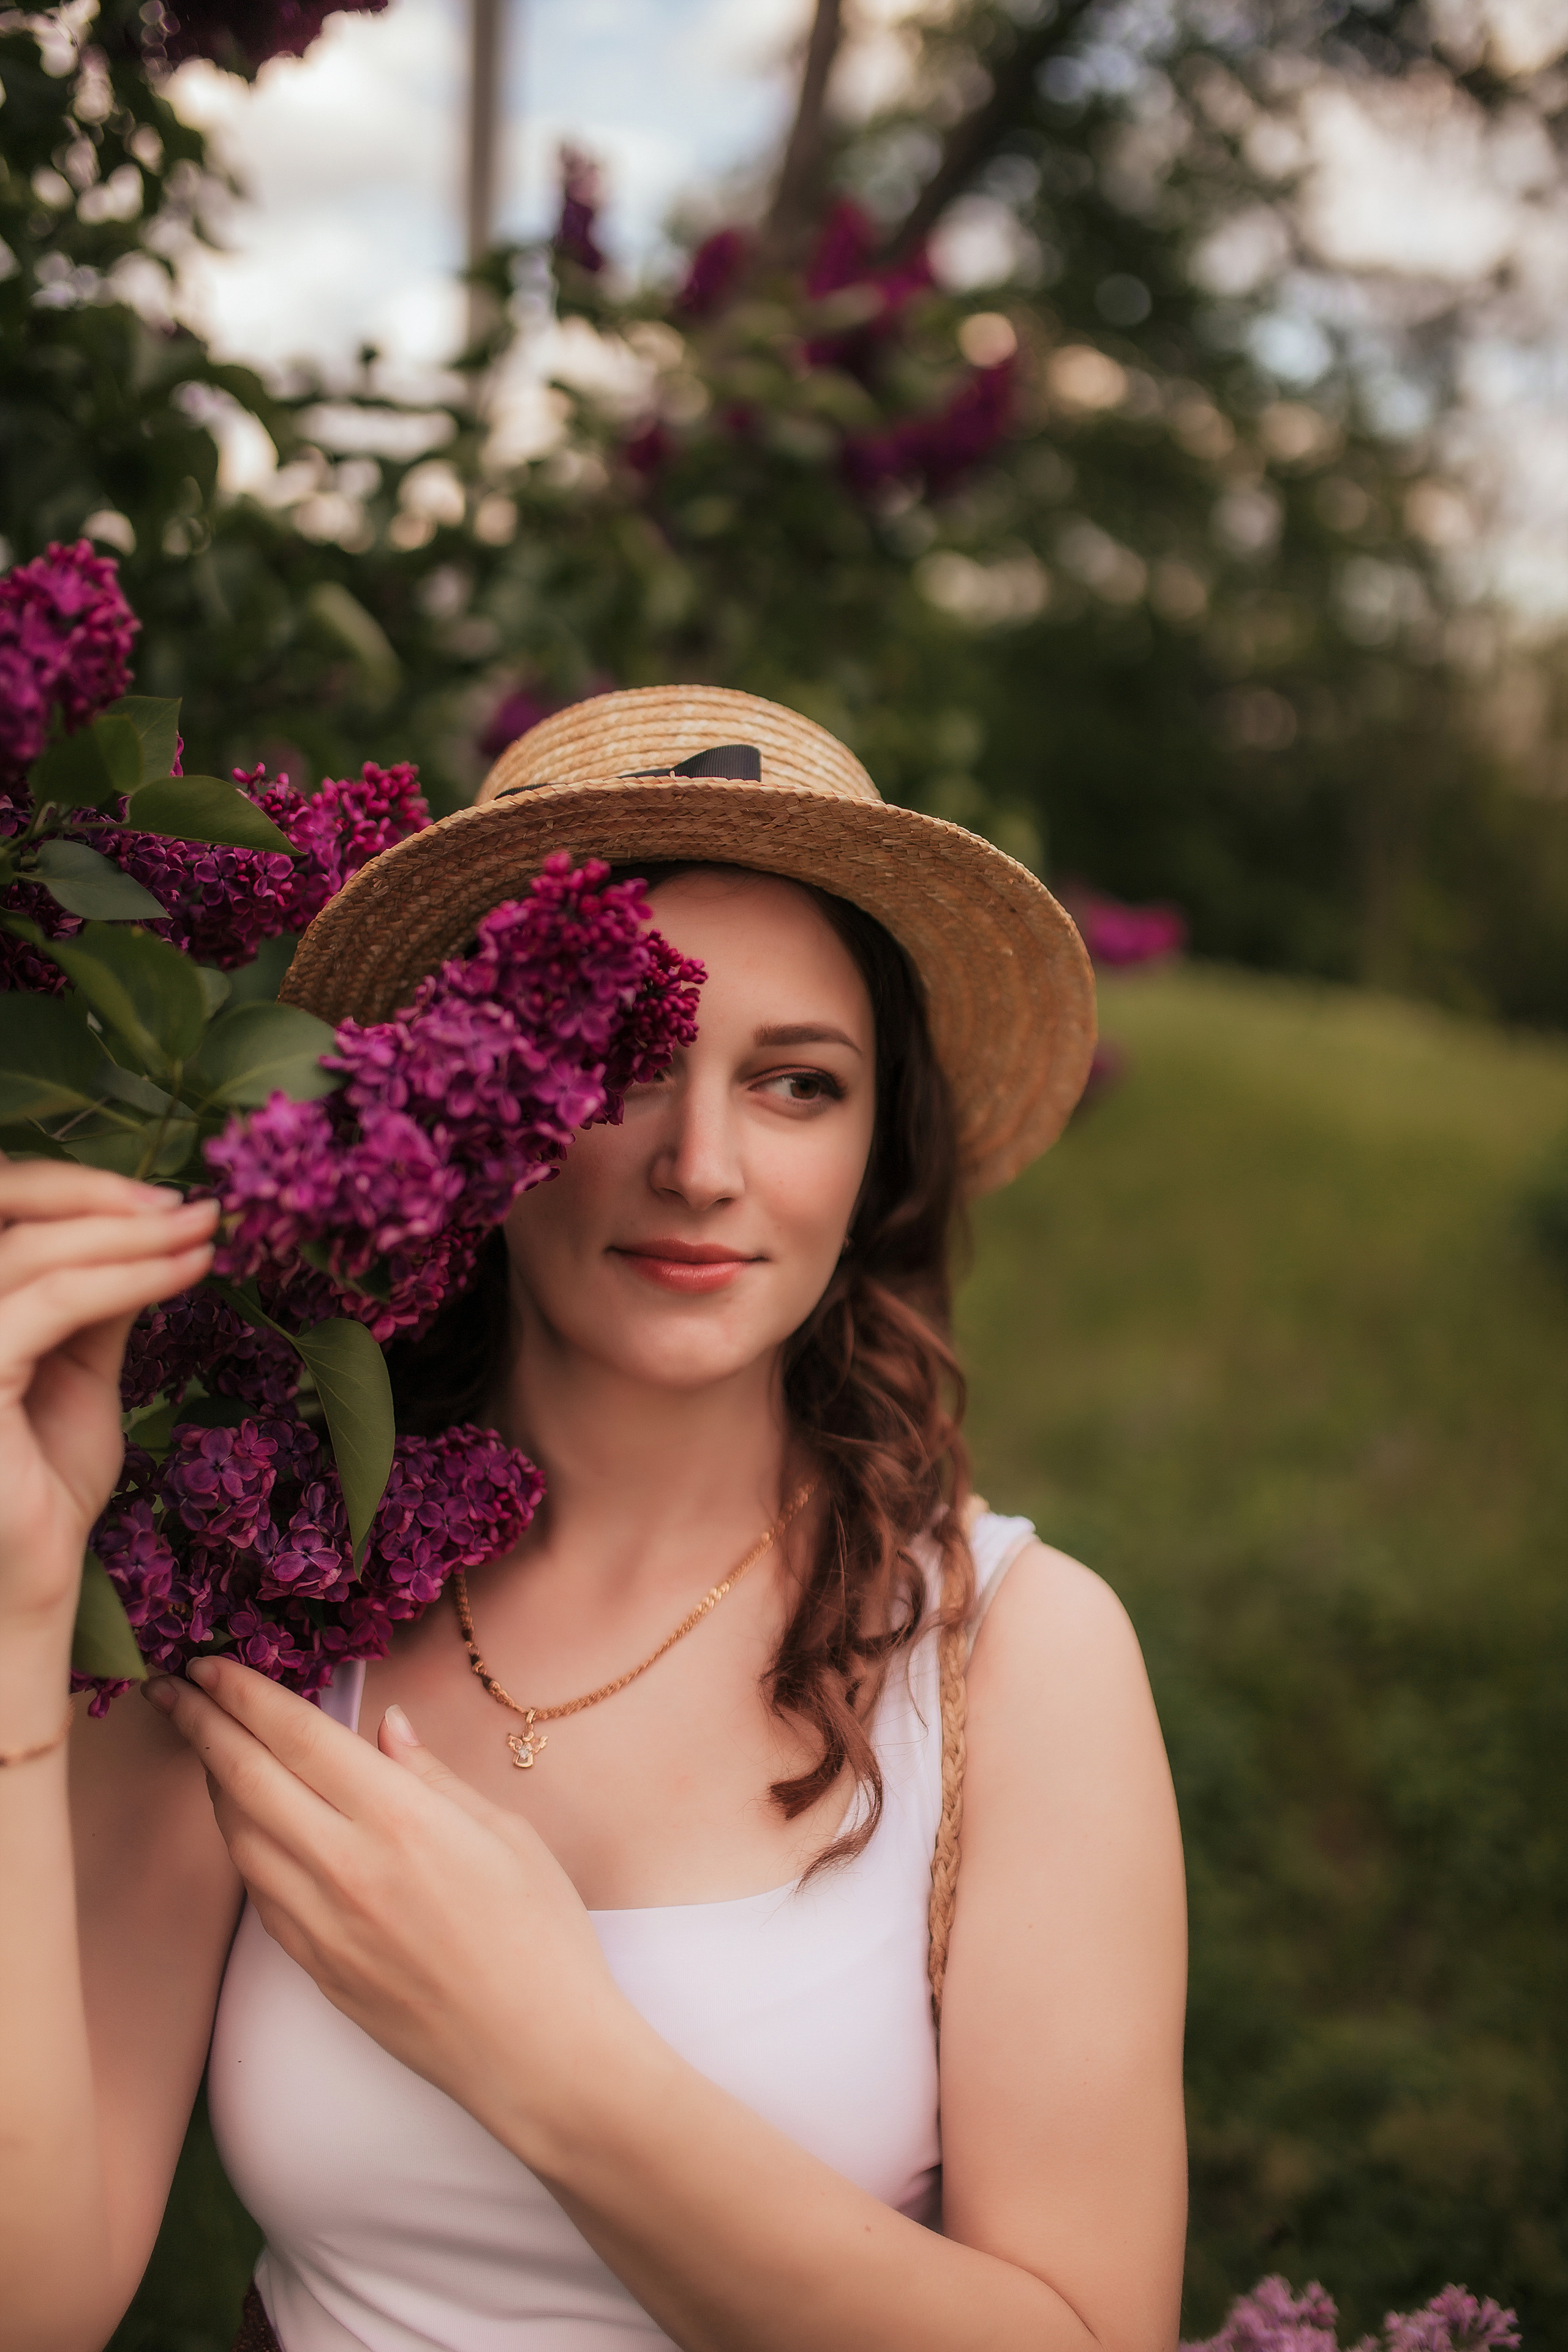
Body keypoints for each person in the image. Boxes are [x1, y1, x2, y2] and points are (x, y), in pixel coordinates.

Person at [0, 687, 1188, 2352]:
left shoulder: (1021, 1654)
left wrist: (540, 2053)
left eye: (798, 1084)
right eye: (631, 1071)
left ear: (876, 1153)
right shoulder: (260, 1593)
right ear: (474, 1113)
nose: (704, 1166)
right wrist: (14, 1618)